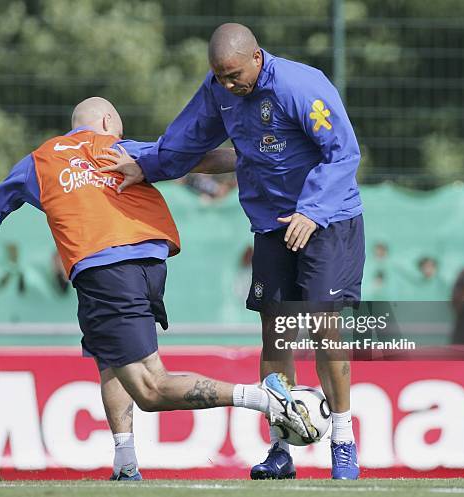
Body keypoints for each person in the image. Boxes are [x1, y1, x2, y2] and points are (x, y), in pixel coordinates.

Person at [0, 97, 311, 480]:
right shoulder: (121, 148)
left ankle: (264, 398)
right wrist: (257, 155)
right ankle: (125, 463)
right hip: (149, 263)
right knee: (110, 361)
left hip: (103, 271)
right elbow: (195, 158)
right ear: (107, 122)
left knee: (150, 388)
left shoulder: (38, 161)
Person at [99, 24, 364, 480]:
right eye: (219, 76)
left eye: (234, 74)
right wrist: (145, 165)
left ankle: (342, 440)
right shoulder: (218, 90)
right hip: (270, 226)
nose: (227, 84)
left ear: (257, 58)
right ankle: (281, 449)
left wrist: (312, 210)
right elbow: (185, 141)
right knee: (275, 335)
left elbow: (343, 154)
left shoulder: (302, 86)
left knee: (324, 327)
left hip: (328, 221)